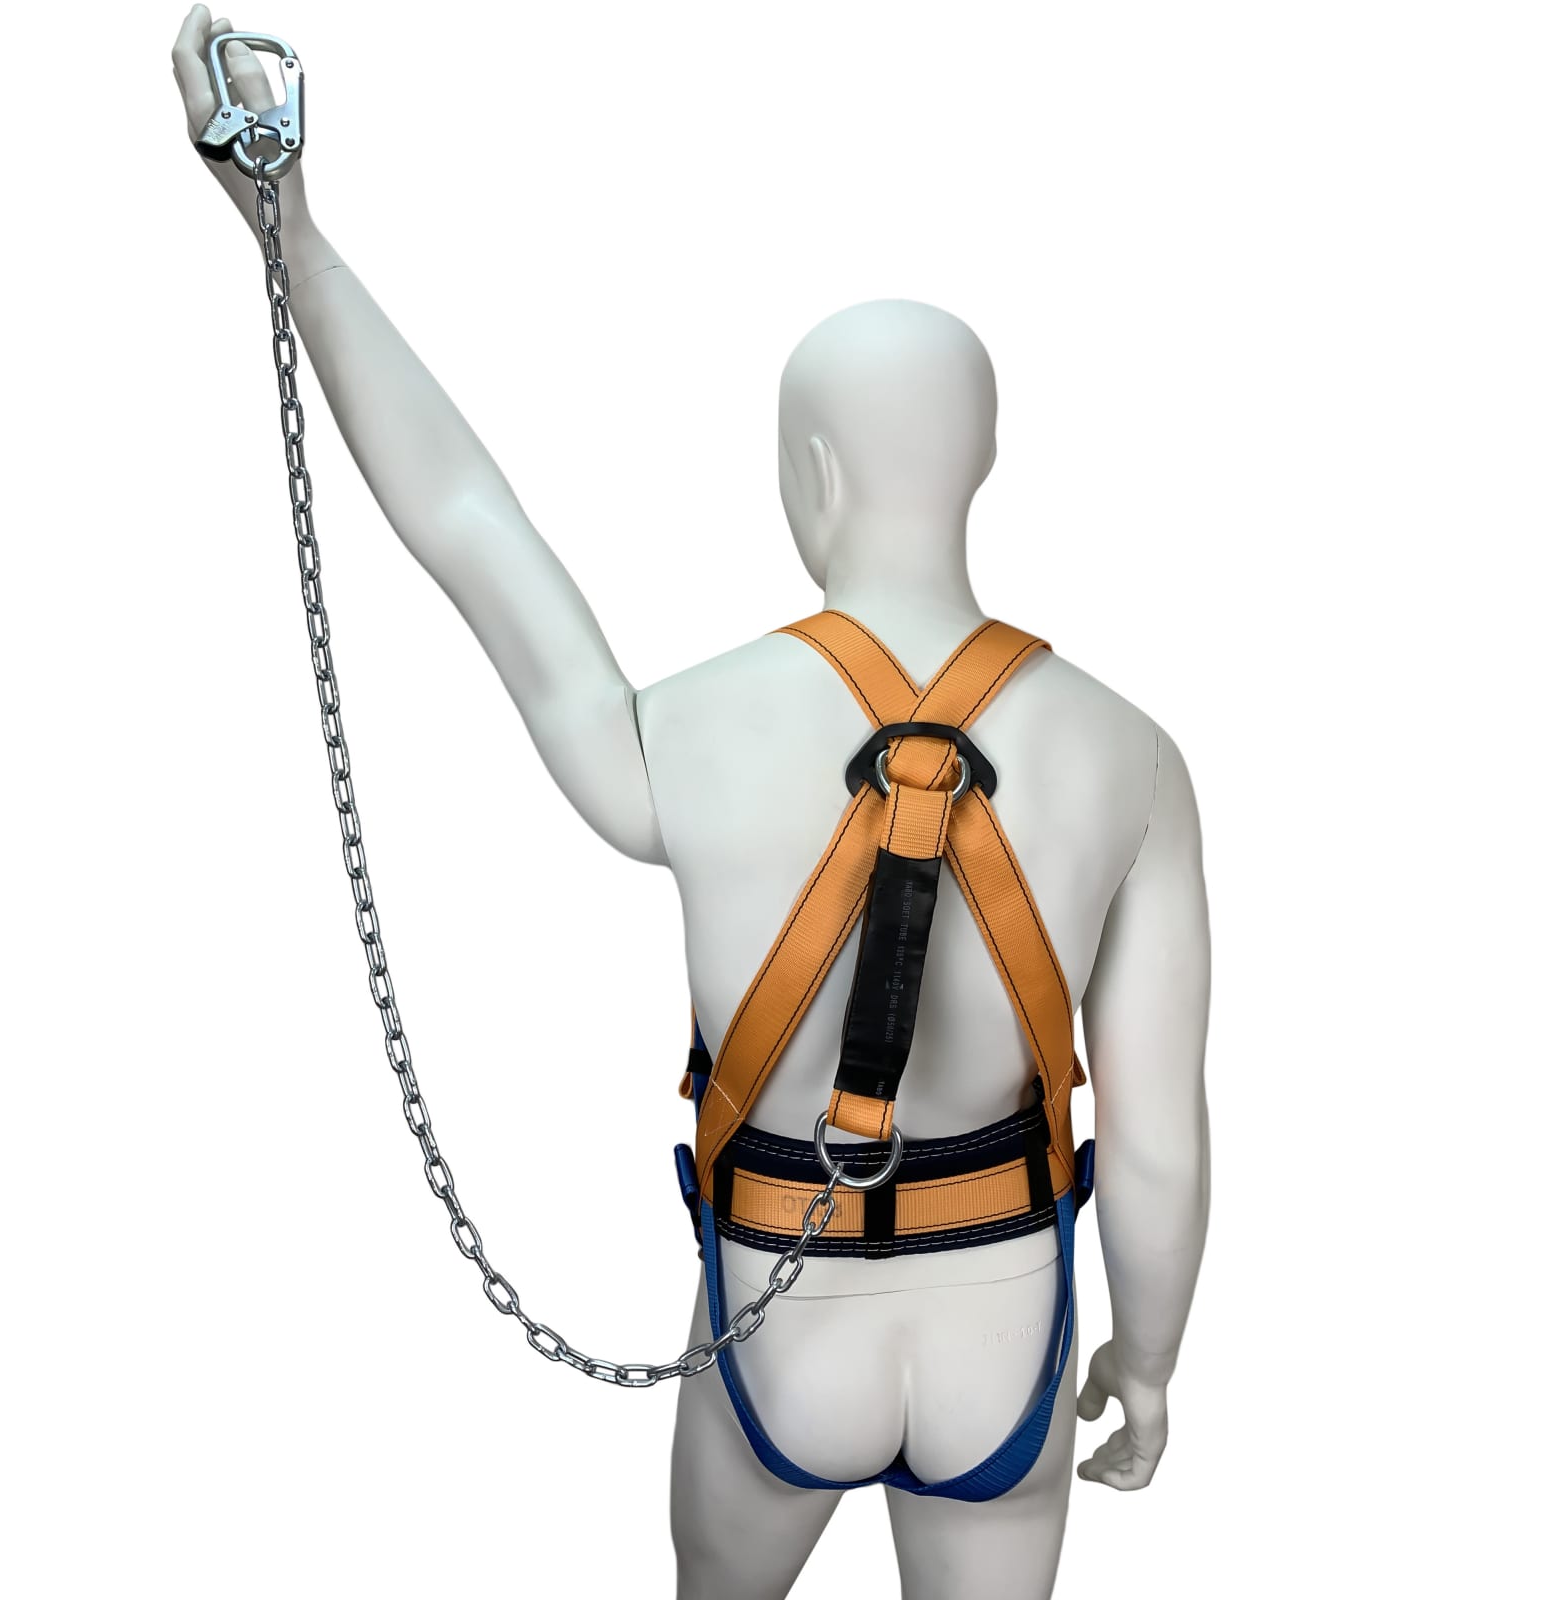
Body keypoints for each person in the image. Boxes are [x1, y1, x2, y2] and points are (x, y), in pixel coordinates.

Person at [172, 12, 1212, 1596]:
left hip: (777, 1322)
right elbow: (1159, 1139)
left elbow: (471, 528)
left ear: (814, 477)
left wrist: (291, 233)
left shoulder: (695, 728)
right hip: (1003, 1319)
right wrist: (1149, 1355)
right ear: (983, 460)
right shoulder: (1132, 758)